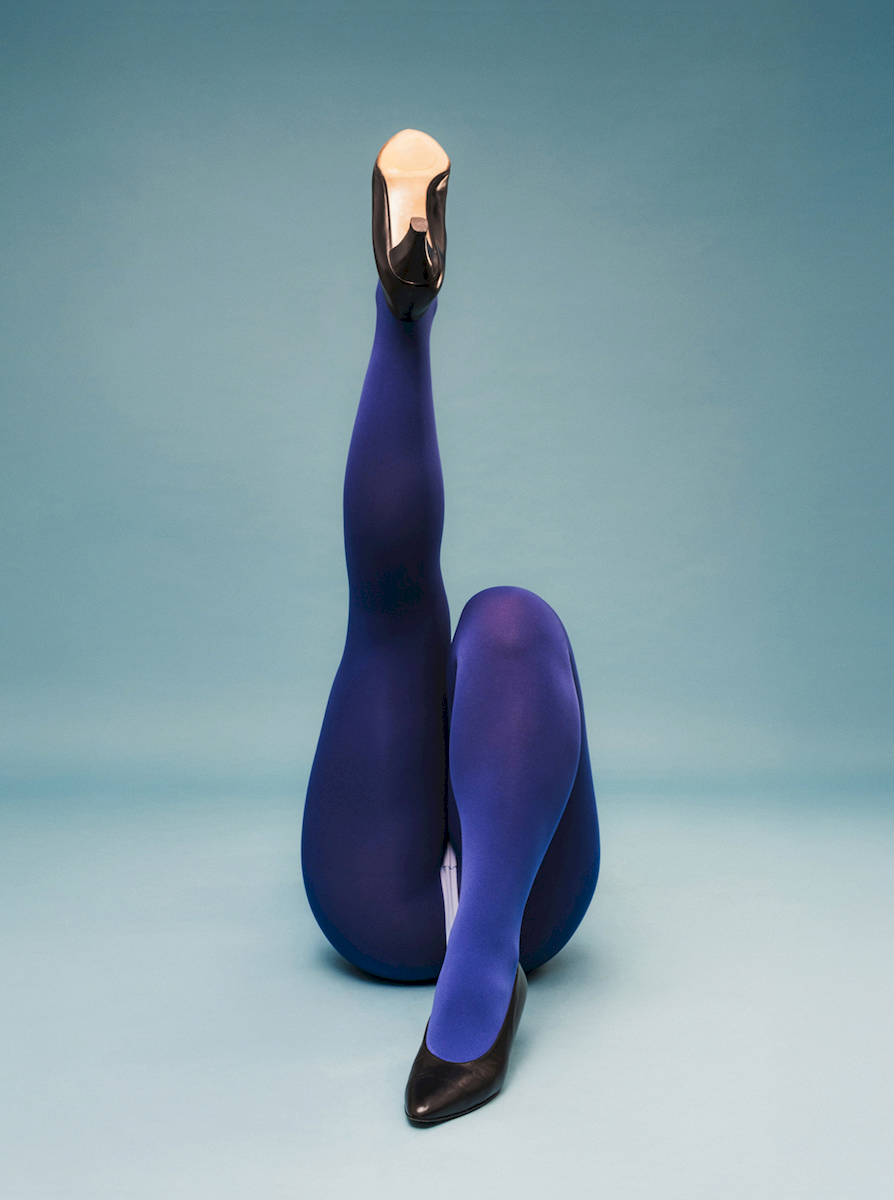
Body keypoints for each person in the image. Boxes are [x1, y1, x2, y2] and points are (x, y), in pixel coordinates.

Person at [301, 129, 601, 1125]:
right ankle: (484, 971)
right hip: (490, 910)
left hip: (400, 908)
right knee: (483, 620)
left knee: (445, 621)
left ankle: (402, 311)